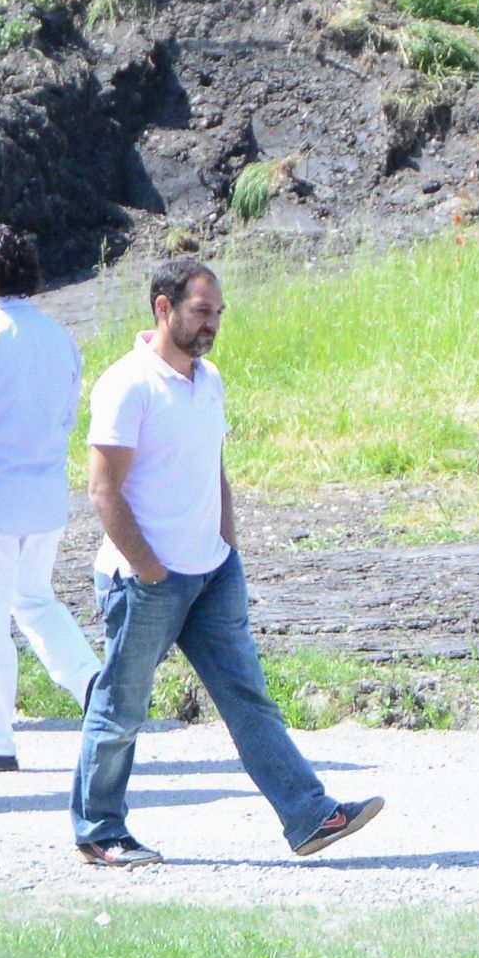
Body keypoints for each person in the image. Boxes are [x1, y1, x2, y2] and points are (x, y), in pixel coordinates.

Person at [70, 257, 383, 869]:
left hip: (213, 575)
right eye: (200, 311)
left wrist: (228, 550)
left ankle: (309, 815)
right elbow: (103, 490)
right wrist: (150, 569)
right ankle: (100, 830)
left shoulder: (208, 379)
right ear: (163, 307)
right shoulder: (126, 384)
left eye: (217, 313)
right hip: (145, 583)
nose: (211, 323)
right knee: (121, 709)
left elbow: (213, 469)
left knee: (248, 699)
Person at [0, 220, 102, 772]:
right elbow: (65, 419)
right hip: (46, 498)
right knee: (34, 599)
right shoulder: (59, 336)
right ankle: (93, 685)